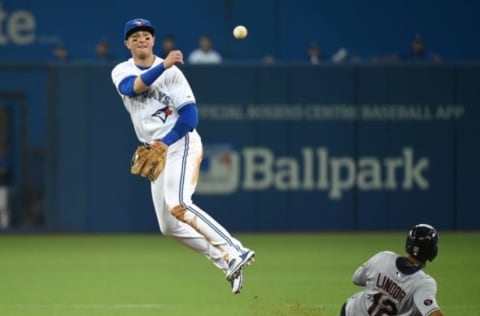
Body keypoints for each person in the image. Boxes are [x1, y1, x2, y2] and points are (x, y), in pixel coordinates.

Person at [111, 18, 255, 294]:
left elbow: (190, 117)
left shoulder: (174, 74)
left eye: (146, 35)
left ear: (153, 40)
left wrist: (165, 142)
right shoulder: (121, 70)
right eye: (135, 36)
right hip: (155, 149)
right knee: (168, 226)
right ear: (127, 43)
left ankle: (236, 249)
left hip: (180, 143)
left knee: (178, 204)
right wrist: (162, 66)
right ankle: (227, 262)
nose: (142, 39)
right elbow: (132, 88)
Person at [339, 224, 444, 316]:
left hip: (351, 311)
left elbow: (356, 279)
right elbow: (433, 314)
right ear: (432, 251)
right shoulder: (423, 283)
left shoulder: (382, 257)